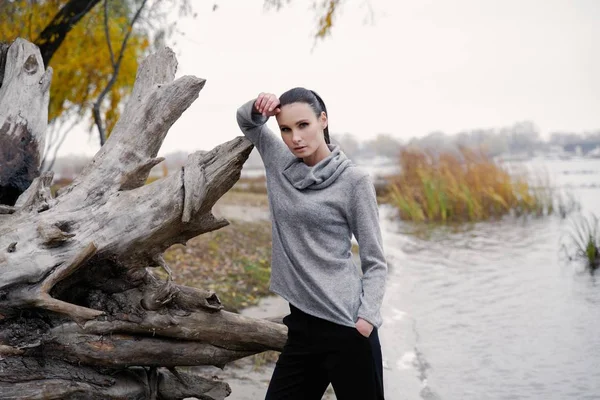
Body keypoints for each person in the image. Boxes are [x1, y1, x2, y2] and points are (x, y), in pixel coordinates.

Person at [236, 88, 388, 400]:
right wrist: (258, 104)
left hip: (348, 327)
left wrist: (366, 319)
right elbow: (247, 122)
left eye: (303, 125)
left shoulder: (354, 181)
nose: (295, 138)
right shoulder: (279, 162)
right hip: (302, 328)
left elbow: (375, 261)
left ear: (323, 120)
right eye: (286, 129)